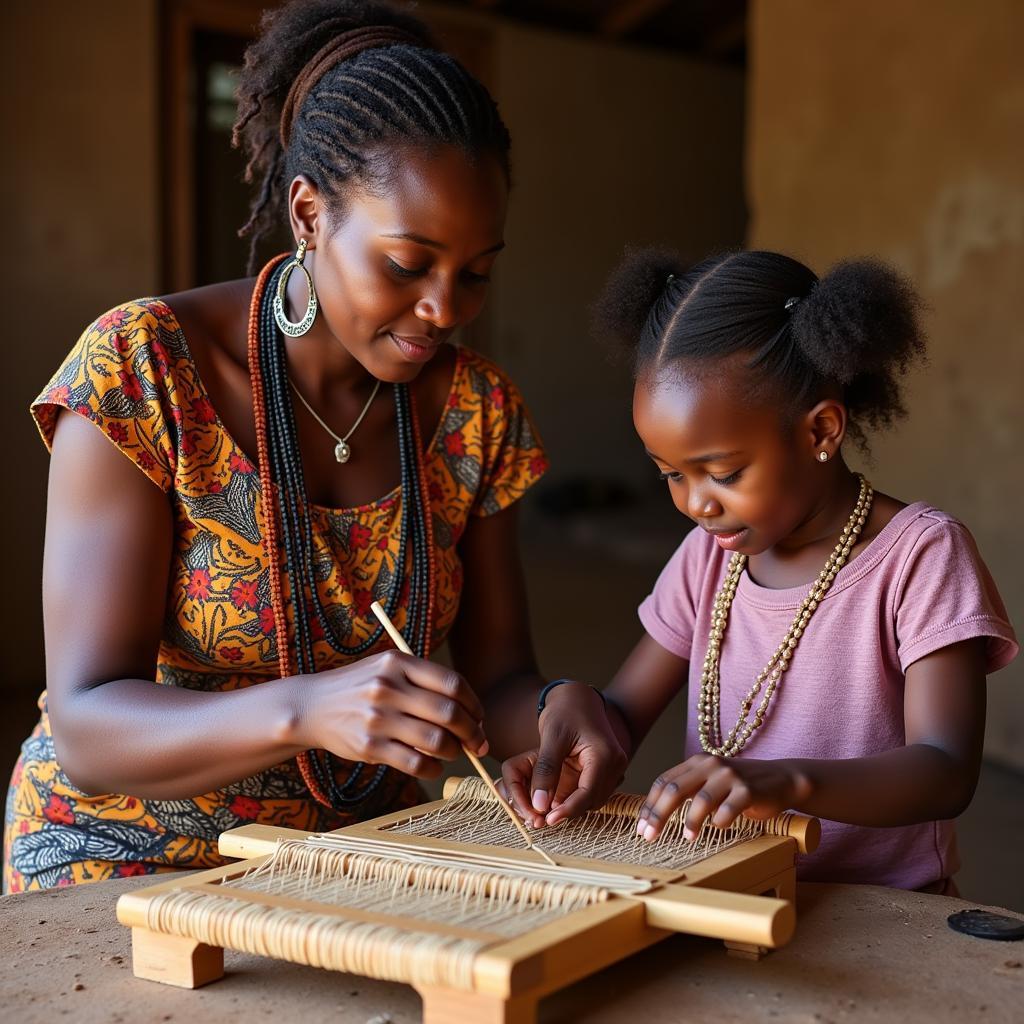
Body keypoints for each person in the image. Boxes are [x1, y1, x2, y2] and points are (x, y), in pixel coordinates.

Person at [4, 0, 558, 892]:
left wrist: (559, 711)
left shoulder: (475, 410)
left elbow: (498, 678)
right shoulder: (144, 369)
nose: (447, 309)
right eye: (407, 265)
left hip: (369, 846)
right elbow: (88, 727)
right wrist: (305, 709)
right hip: (126, 852)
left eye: (477, 271)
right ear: (308, 213)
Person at [501, 249, 1017, 892]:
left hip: (883, 914)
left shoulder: (920, 557)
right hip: (726, 892)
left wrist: (787, 781)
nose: (695, 503)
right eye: (669, 475)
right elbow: (623, 718)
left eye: (722, 474)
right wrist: (581, 711)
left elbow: (945, 770)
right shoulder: (708, 558)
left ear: (820, 429)